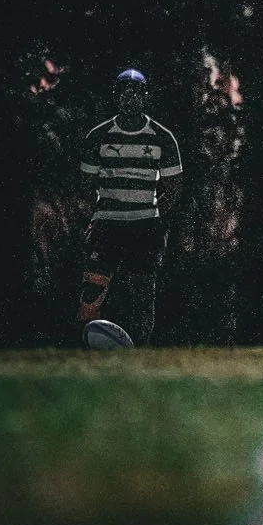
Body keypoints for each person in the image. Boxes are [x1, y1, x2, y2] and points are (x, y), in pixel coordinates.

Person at [77, 68, 183, 346]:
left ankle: (140, 350)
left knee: (142, 292)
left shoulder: (162, 137)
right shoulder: (98, 136)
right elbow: (86, 183)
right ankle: (87, 345)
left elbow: (173, 185)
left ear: (145, 97)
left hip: (144, 225)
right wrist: (91, 218)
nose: (130, 98)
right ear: (116, 96)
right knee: (93, 289)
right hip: (107, 224)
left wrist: (160, 222)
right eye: (124, 92)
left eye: (136, 92)